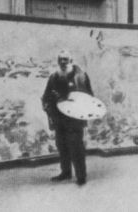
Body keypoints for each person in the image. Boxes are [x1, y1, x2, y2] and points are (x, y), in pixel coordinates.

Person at [42, 49, 94, 186]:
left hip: (75, 119)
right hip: (59, 119)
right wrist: (49, 105)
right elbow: (46, 96)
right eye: (60, 59)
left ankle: (81, 176)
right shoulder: (54, 77)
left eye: (65, 59)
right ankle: (65, 172)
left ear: (71, 61)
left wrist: (79, 105)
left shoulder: (81, 76)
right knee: (62, 146)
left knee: (76, 147)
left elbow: (89, 97)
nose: (63, 62)